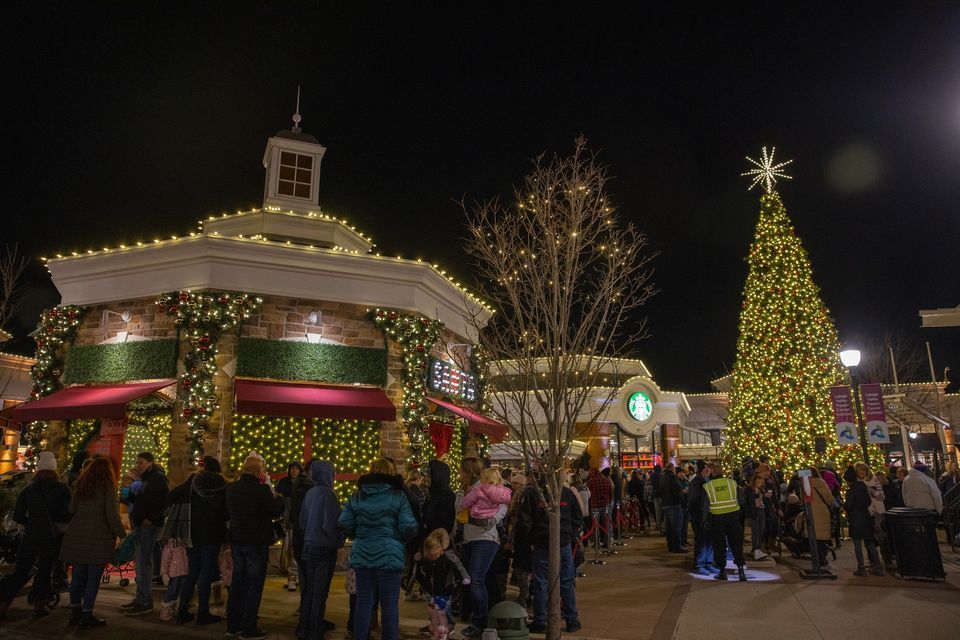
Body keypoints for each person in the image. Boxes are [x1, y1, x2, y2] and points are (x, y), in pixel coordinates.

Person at [339, 457, 418, 640]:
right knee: (389, 605)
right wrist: (399, 538)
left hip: (363, 554)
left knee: (364, 602)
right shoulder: (398, 496)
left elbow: (343, 522)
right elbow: (410, 526)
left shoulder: (357, 495)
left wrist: (357, 534)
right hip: (390, 556)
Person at [0, 451, 71, 620]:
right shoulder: (62, 489)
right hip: (51, 537)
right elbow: (68, 514)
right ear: (54, 469)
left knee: (21, 571)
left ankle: (3, 603)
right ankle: (39, 605)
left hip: (30, 537)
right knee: (44, 571)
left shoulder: (29, 490)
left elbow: (18, 516)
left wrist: (30, 523)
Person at [59, 456, 126, 628]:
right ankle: (87, 615)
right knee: (93, 579)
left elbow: (70, 509)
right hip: (98, 537)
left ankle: (75, 612)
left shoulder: (80, 485)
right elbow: (112, 514)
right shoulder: (108, 487)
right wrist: (121, 533)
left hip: (77, 535)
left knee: (77, 577)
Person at [224, 455, 285, 640]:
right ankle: (249, 627)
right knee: (254, 584)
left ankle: (232, 625)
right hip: (256, 542)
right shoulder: (261, 490)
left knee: (237, 582)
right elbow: (276, 510)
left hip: (237, 541)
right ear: (259, 473)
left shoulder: (231, 489)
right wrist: (278, 496)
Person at [519, 472, 583, 634]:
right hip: (561, 543)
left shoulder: (534, 494)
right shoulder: (566, 494)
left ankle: (541, 620)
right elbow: (578, 517)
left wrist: (532, 540)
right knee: (565, 581)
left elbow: (525, 521)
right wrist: (570, 534)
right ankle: (571, 619)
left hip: (544, 543)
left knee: (541, 582)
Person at [169, 455, 228, 625]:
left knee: (192, 572)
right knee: (206, 573)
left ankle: (183, 611)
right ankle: (203, 612)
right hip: (213, 534)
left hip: (192, 533)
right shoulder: (223, 485)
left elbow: (172, 496)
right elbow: (226, 512)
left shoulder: (192, 483)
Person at [455, 457, 506, 638]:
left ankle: (481, 621)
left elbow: (499, 510)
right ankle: (486, 618)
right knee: (478, 580)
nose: (459, 474)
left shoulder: (487, 487)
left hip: (485, 538)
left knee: (476, 580)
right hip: (469, 538)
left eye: (461, 470)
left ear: (468, 471)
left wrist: (477, 519)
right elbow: (459, 513)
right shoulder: (463, 491)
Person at [298, 460, 345, 640]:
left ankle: (304, 628)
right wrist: (339, 540)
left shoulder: (309, 493)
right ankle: (315, 631)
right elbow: (330, 525)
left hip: (308, 547)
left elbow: (302, 522)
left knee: (309, 591)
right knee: (320, 592)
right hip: (324, 549)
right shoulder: (329, 495)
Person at [123, 451, 169, 616]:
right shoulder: (147, 479)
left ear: (150, 462)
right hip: (142, 526)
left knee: (144, 563)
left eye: (141, 462)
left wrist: (151, 517)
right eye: (138, 462)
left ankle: (145, 601)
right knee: (140, 563)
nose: (138, 465)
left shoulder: (158, 478)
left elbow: (164, 501)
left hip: (149, 527)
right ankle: (141, 596)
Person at [410, 528, 470, 640]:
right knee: (433, 609)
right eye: (430, 556)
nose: (432, 558)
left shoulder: (448, 556)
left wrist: (464, 577)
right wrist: (424, 585)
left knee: (444, 609)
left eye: (434, 556)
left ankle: (449, 627)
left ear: (440, 549)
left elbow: (458, 566)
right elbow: (418, 571)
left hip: (445, 589)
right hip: (431, 590)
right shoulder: (426, 557)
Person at [701, 461, 747, 581]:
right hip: (733, 517)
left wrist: (704, 520)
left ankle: (722, 572)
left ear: (712, 472)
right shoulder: (732, 483)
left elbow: (706, 506)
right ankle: (741, 572)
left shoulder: (708, 486)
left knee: (719, 545)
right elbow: (742, 500)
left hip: (717, 519)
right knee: (736, 544)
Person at [845, 463, 884, 576]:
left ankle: (861, 567)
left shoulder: (852, 490)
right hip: (866, 517)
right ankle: (877, 565)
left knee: (858, 545)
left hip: (857, 518)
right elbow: (867, 502)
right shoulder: (862, 487)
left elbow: (849, 505)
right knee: (869, 542)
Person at [276, 461, 304, 592]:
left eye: (296, 469)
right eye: (292, 469)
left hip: (295, 522)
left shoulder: (302, 484)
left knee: (294, 550)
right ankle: (291, 575)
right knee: (287, 550)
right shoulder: (284, 483)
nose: (294, 471)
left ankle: (294, 576)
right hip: (285, 521)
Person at [687, 461, 716, 575]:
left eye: (708, 468)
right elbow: (693, 500)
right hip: (700, 517)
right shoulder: (696, 482)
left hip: (709, 516)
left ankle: (708, 563)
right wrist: (698, 516)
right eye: (705, 468)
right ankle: (699, 564)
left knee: (709, 540)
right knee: (701, 541)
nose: (707, 470)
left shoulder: (708, 480)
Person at [804, 468, 836, 566]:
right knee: (822, 537)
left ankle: (817, 558)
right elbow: (830, 499)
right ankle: (823, 557)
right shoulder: (822, 483)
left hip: (811, 512)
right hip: (823, 513)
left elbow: (803, 499)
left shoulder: (806, 484)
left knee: (814, 537)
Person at [659, 463, 684, 553]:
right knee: (676, 527)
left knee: (669, 528)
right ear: (671, 468)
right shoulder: (672, 477)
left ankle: (670, 546)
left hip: (666, 504)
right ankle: (677, 547)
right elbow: (677, 489)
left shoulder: (662, 477)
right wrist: (680, 499)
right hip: (674, 504)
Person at [744, 474, 769, 561]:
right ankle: (756, 549)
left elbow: (763, 500)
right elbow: (746, 502)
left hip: (761, 510)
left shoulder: (761, 489)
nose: (760, 483)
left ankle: (756, 549)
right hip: (754, 512)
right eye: (758, 482)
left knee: (761, 530)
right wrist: (749, 512)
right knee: (755, 531)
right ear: (754, 481)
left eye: (761, 482)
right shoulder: (748, 490)